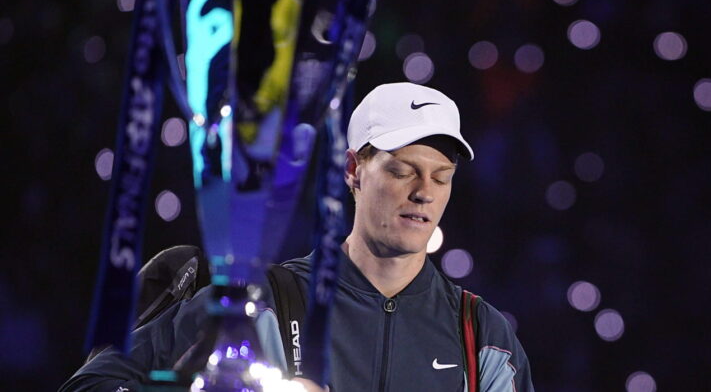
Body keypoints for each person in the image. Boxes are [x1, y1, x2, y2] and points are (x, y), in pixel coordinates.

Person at [61, 82, 534, 392]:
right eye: (402, 170)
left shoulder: (483, 337)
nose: (423, 193)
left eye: (441, 177)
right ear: (354, 170)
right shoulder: (260, 301)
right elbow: (92, 386)